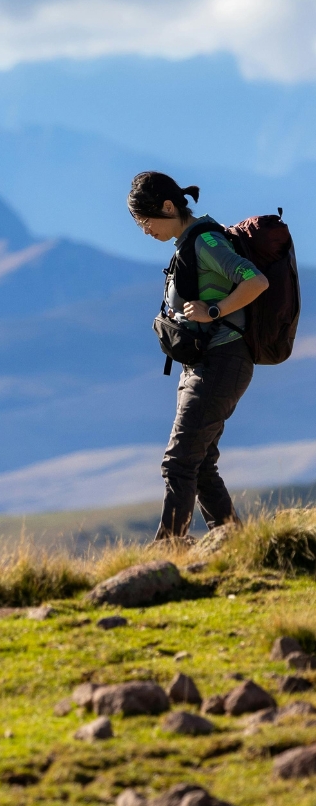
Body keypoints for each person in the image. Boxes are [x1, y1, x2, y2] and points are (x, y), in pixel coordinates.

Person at [128, 172, 269, 541]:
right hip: (204, 365)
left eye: (145, 221)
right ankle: (234, 545)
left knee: (178, 463)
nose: (144, 231)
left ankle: (169, 549)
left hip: (222, 361)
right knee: (201, 463)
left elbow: (256, 280)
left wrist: (215, 311)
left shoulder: (205, 240)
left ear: (168, 207)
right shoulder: (186, 243)